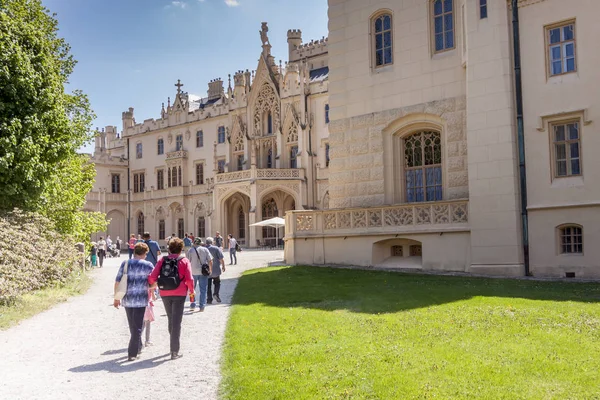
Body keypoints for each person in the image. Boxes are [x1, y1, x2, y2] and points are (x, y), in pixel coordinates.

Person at [148, 238, 194, 360]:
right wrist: (191, 291)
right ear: (181, 249)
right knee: (176, 321)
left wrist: (154, 285)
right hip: (180, 293)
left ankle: (173, 341)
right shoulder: (184, 261)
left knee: (171, 318)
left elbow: (152, 276)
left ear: (169, 249)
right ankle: (174, 350)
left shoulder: (162, 260)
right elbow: (189, 279)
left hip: (165, 292)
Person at [113, 242, 154, 361]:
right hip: (141, 299)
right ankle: (132, 353)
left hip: (127, 298)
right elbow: (153, 282)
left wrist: (116, 298)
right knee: (137, 326)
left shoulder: (125, 263)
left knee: (133, 325)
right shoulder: (148, 265)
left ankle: (138, 346)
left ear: (135, 252)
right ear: (144, 253)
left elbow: (117, 281)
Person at [187, 238, 212, 311]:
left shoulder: (190, 250)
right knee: (203, 290)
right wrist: (210, 270)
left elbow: (187, 262)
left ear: (194, 243)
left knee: (192, 289)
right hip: (203, 272)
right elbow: (210, 260)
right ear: (200, 243)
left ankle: (192, 304)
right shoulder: (205, 249)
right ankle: (202, 306)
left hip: (193, 272)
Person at [205, 237, 225, 304]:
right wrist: (223, 266)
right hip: (216, 269)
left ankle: (209, 299)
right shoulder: (216, 248)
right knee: (217, 283)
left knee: (208, 285)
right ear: (212, 242)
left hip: (207, 270)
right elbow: (221, 258)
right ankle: (216, 293)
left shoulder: (204, 249)